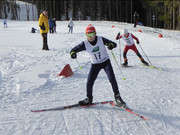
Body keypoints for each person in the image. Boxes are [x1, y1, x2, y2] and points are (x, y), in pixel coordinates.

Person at [70, 24, 126, 107]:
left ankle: (117, 97)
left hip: (105, 62)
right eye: (88, 35)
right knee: (89, 82)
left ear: (95, 34)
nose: (90, 37)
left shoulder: (101, 39)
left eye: (92, 34)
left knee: (112, 79)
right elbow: (73, 50)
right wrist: (73, 54)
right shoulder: (85, 43)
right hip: (95, 65)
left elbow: (114, 43)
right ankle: (89, 99)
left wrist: (111, 45)